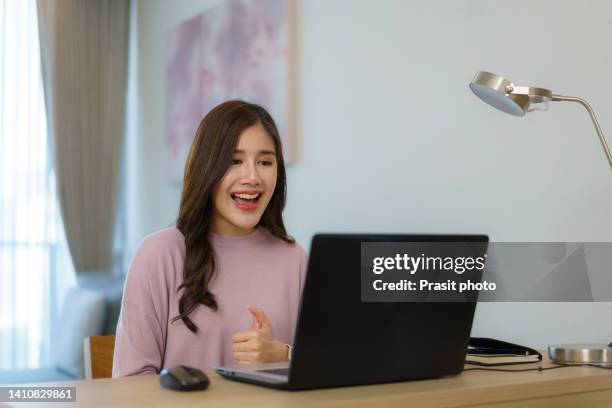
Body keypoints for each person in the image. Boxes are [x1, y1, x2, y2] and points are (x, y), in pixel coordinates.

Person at [112, 100, 306, 376]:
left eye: (265, 162)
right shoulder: (158, 254)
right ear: (207, 169)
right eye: (234, 161)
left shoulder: (293, 258)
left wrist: (282, 355)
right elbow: (131, 383)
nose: (252, 177)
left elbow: (320, 367)